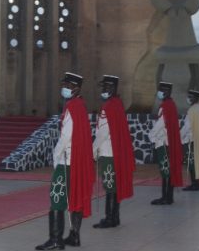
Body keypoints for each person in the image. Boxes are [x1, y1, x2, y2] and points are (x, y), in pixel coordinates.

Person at [36, 72, 94, 250]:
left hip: (67, 160)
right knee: (74, 196)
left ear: (76, 88)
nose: (65, 89)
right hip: (76, 161)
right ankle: (74, 236)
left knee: (57, 198)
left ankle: (55, 240)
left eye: (68, 86)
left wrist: (56, 155)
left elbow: (66, 135)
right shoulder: (81, 105)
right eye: (65, 86)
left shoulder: (72, 106)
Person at [92, 75, 135, 229]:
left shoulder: (109, 106)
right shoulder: (117, 104)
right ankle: (115, 217)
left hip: (107, 153)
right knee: (114, 186)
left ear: (113, 88)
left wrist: (93, 150)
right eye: (103, 87)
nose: (103, 90)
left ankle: (109, 218)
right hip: (114, 152)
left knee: (110, 186)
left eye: (106, 87)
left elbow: (102, 133)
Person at [149, 81, 183, 205]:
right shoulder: (171, 104)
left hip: (163, 142)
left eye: (162, 90)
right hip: (168, 142)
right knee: (168, 170)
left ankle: (166, 197)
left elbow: (160, 124)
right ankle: (168, 196)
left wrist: (151, 136)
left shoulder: (165, 106)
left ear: (168, 92)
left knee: (165, 171)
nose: (160, 92)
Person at [180, 89, 199, 191]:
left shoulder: (192, 110)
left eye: (191, 97)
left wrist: (179, 136)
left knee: (192, 163)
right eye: (189, 97)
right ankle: (196, 184)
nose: (189, 99)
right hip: (197, 139)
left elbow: (187, 127)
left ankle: (195, 185)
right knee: (196, 162)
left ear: (196, 98)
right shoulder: (198, 109)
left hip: (191, 140)